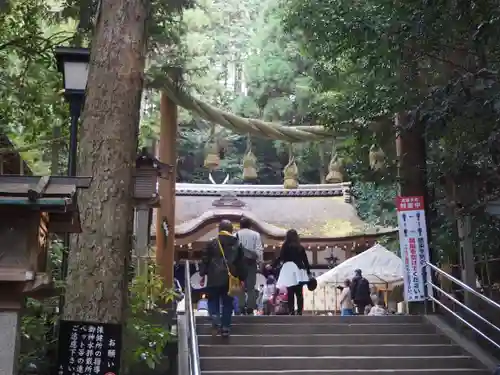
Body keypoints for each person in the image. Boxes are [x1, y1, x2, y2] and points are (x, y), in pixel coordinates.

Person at [199, 220, 247, 337]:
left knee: (212, 300)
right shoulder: (237, 244)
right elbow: (240, 263)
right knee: (227, 303)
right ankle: (225, 327)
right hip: (230, 278)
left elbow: (205, 259)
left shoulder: (212, 243)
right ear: (231, 230)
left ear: (219, 229)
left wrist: (202, 274)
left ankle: (215, 319)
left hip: (213, 277)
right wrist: (242, 278)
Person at [271, 229, 311, 315]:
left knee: (290, 292)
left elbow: (280, 257)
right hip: (299, 270)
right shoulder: (300, 247)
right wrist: (308, 272)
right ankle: (300, 311)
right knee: (299, 292)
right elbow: (305, 261)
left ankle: (291, 311)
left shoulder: (285, 246)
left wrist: (273, 265)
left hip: (288, 270)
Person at [235, 217, 264, 315]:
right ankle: (250, 307)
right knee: (251, 287)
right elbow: (259, 250)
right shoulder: (256, 235)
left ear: (240, 225)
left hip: (239, 264)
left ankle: (241, 306)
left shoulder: (236, 235)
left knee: (240, 286)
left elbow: (233, 251)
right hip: (251, 264)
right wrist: (260, 262)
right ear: (250, 225)